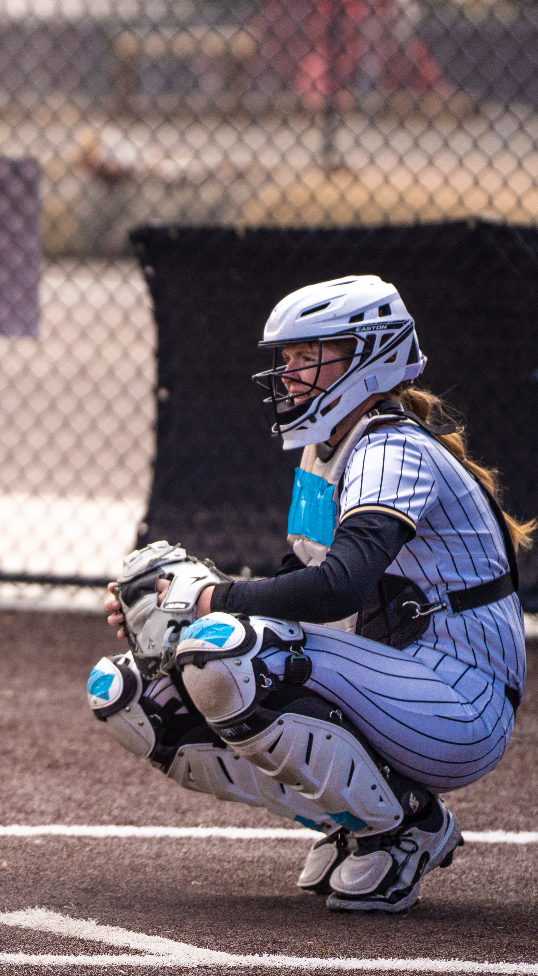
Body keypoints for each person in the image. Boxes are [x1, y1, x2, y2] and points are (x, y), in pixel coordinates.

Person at [90, 275, 528, 914]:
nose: (290, 373)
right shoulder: (325, 450)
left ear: (370, 355)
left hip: (458, 700)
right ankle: (354, 821)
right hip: (393, 680)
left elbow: (338, 587)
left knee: (226, 651)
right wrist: (168, 606)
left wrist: (209, 600)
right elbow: (294, 577)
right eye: (287, 358)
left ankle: (404, 828)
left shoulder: (392, 447)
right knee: (137, 697)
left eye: (307, 356)